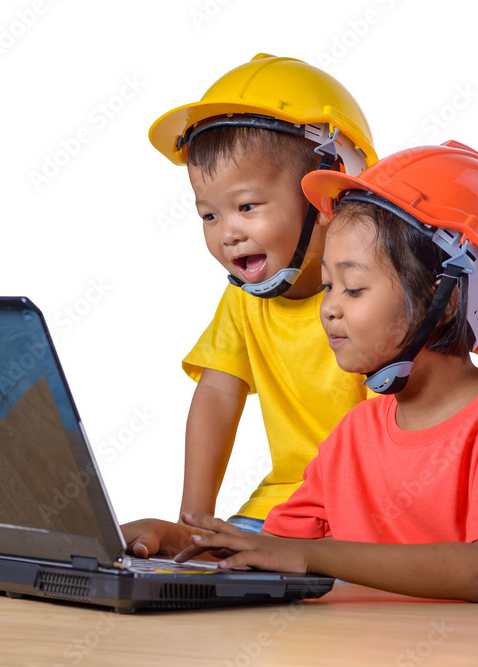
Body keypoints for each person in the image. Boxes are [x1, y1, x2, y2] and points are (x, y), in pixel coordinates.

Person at [127, 141, 478, 602]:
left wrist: (312, 557)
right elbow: (270, 550)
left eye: (354, 288)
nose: (328, 309)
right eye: (329, 285)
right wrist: (173, 540)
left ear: (445, 300)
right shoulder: (355, 433)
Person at [136, 54, 379, 543]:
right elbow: (218, 395)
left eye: (247, 206)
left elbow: (392, 429)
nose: (227, 233)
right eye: (209, 215)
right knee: (199, 571)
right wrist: (192, 527)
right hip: (283, 507)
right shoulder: (244, 302)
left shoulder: (377, 298)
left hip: (369, 510)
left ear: (329, 196)